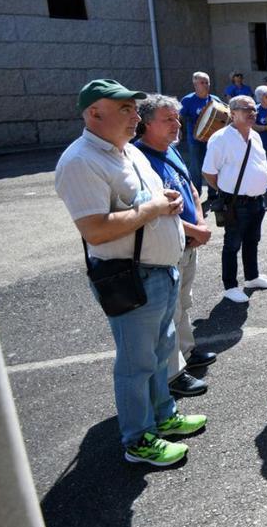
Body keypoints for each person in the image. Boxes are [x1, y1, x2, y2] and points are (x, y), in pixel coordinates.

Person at [55, 79, 206, 467]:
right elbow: (96, 229)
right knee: (135, 363)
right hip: (131, 276)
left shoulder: (128, 153)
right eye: (125, 109)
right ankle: (138, 440)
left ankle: (164, 417)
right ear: (94, 113)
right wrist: (156, 208)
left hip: (160, 271)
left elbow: (148, 201)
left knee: (159, 353)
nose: (136, 116)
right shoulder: (80, 161)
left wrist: (166, 203)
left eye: (136, 109)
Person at [134, 94, 218, 397]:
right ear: (146, 124)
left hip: (187, 242)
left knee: (184, 303)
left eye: (177, 118)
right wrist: (195, 228)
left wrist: (202, 225)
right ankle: (173, 375)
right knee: (167, 314)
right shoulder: (139, 159)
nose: (176, 124)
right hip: (164, 248)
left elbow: (192, 187)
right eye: (168, 119)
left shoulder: (170, 150)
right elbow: (152, 210)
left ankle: (187, 351)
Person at [202, 95, 267, 303]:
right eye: (246, 109)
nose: (252, 113)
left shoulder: (255, 136)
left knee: (253, 240)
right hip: (235, 202)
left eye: (253, 109)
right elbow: (209, 172)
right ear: (232, 113)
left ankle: (252, 277)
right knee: (232, 244)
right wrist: (227, 191)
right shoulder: (221, 138)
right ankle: (230, 286)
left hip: (257, 200)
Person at [177, 71, 222, 198]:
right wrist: (179, 130)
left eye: (207, 82)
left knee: (212, 165)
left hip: (212, 140)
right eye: (202, 82)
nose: (206, 85)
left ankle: (213, 193)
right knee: (196, 166)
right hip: (195, 139)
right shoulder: (188, 100)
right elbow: (179, 117)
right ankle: (196, 193)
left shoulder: (215, 100)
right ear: (195, 84)